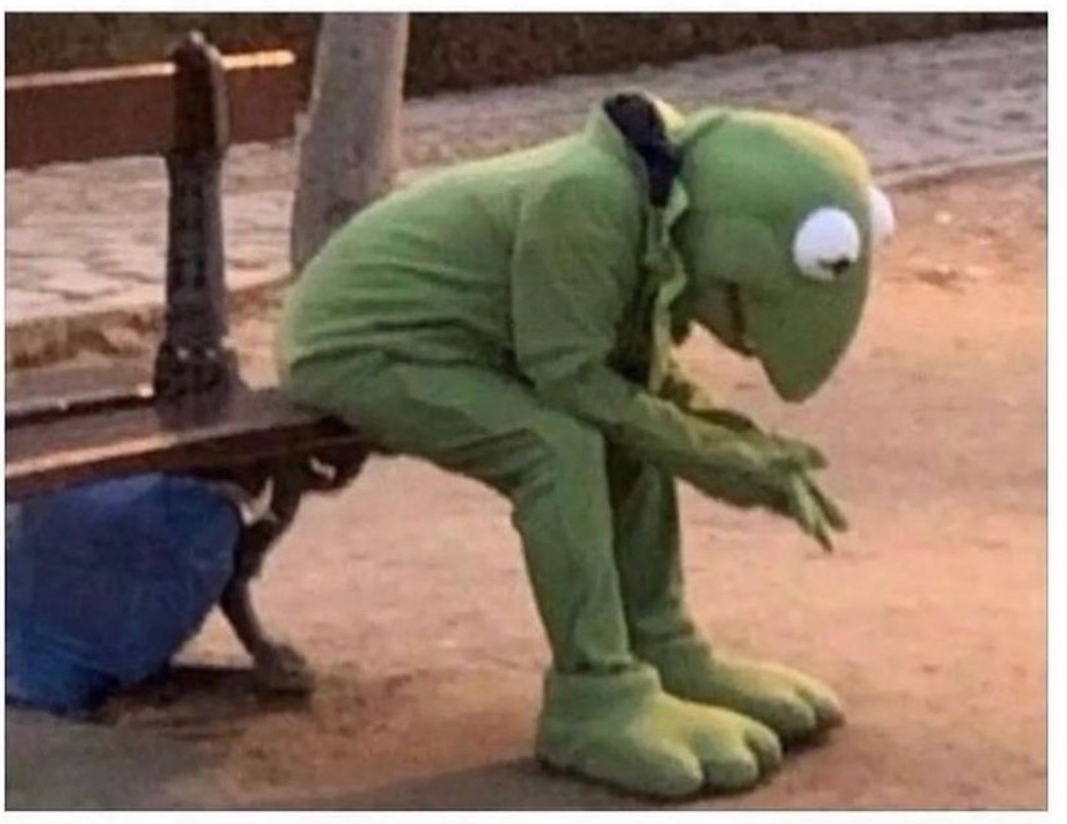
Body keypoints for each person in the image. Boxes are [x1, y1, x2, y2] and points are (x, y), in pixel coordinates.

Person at [277, 93, 896, 799]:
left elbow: (637, 382)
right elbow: (569, 377)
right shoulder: (589, 201)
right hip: (362, 346)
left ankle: (662, 647)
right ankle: (594, 699)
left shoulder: (656, 203)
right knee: (556, 447)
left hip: (473, 346)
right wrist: (712, 457)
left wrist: (744, 444)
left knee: (628, 426)